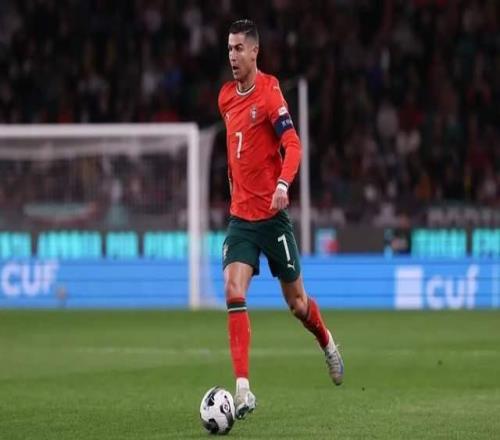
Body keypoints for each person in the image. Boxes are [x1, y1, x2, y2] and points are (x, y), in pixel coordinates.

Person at [218, 19, 344, 420]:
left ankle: (327, 342)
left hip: (273, 218)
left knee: (297, 304)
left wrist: (283, 184)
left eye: (239, 48)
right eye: (229, 48)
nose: (233, 55)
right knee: (233, 290)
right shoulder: (225, 97)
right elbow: (237, 155)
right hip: (241, 220)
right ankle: (243, 389)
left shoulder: (270, 93)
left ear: (255, 51)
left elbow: (293, 144)